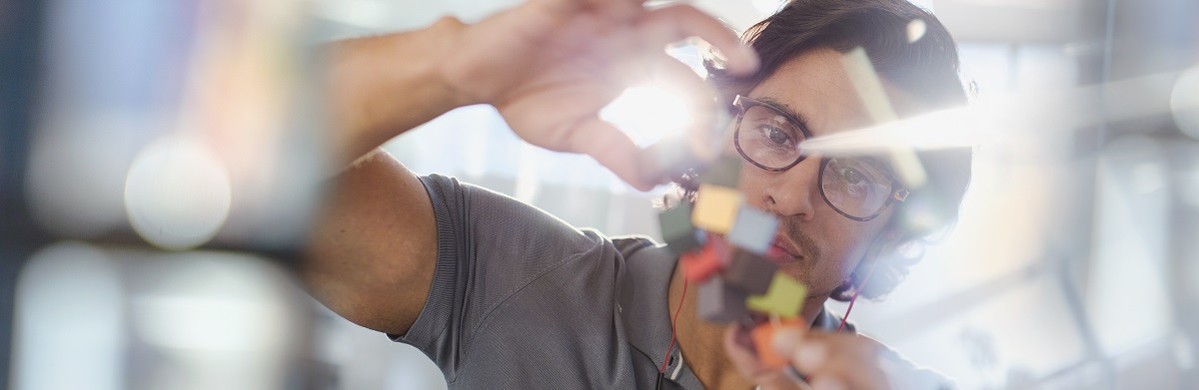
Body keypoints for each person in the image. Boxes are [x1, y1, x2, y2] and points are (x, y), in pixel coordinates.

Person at [305, 0, 971, 388]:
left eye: (857, 174)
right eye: (776, 132)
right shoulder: (523, 281)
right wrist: (452, 66)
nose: (794, 196)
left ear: (889, 229)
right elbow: (241, 151)